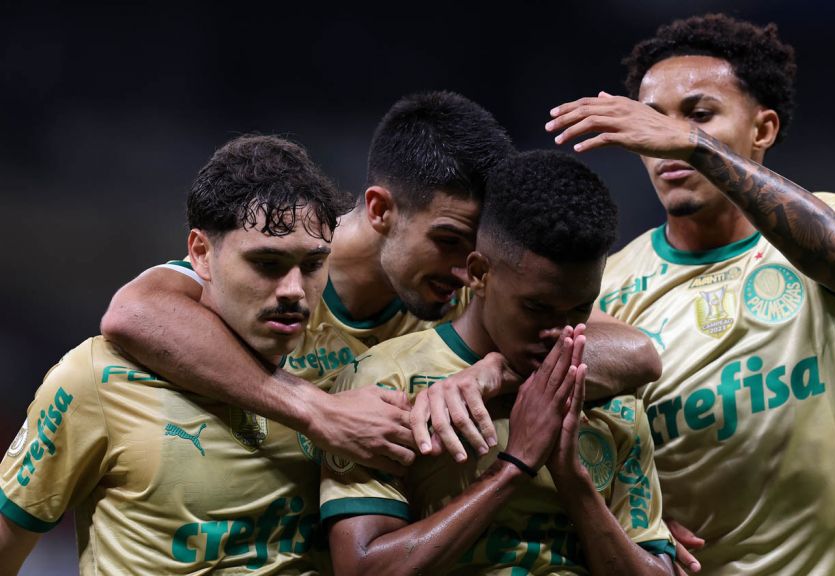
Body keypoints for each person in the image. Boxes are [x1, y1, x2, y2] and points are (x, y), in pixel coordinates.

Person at [100, 92, 661, 474]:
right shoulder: (281, 271)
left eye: (478, 249)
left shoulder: (472, 288)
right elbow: (134, 313)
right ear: (381, 209)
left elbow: (635, 354)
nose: (468, 268)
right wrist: (317, 411)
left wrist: (500, 371)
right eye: (448, 239)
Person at [546, 13, 835, 575]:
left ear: (763, 130)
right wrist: (637, 519)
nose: (665, 140)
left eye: (700, 114)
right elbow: (579, 441)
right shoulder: (605, 285)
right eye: (650, 121)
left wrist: (695, 145)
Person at [0, 135, 349, 573]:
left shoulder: (345, 367)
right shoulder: (95, 377)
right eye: (267, 264)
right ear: (201, 254)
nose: (294, 290)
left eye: (313, 265)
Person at [320, 150, 675, 575]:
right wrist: (514, 467)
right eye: (536, 307)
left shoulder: (607, 393)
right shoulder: (386, 380)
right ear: (479, 273)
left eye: (580, 309)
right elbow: (362, 571)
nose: (560, 333)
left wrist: (575, 485)